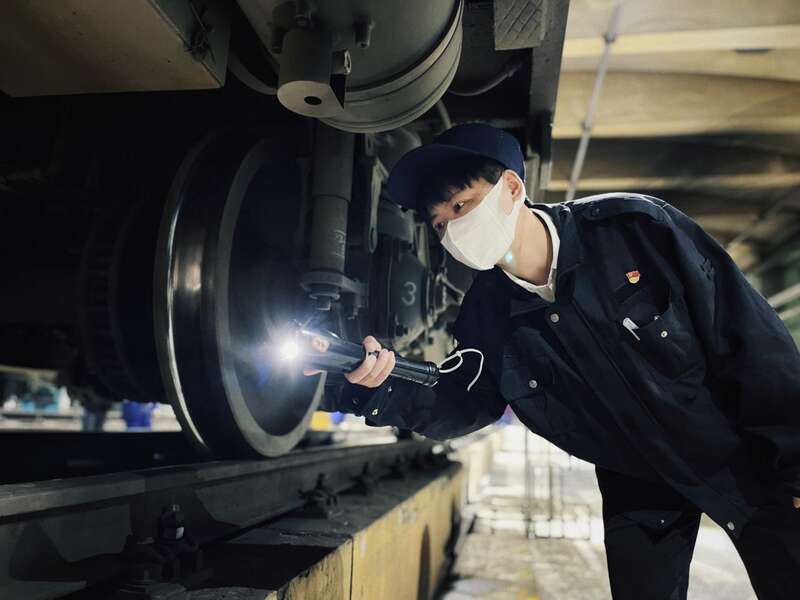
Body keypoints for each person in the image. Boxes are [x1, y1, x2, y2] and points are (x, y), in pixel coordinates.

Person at [312, 122, 800, 599]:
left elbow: (751, 340)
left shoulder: (635, 230)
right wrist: (375, 384)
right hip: (638, 480)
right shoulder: (486, 315)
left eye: (461, 206)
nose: (452, 230)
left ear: (512, 188)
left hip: (749, 455)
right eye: (439, 223)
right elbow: (462, 401)